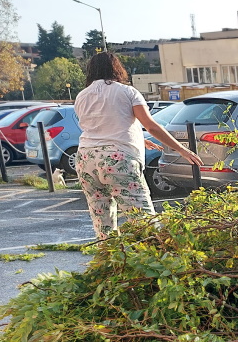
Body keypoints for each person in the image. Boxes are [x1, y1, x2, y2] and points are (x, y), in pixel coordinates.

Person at [74, 52, 203, 239]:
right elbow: (150, 125)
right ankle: (154, 259)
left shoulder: (82, 96)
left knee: (102, 219)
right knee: (143, 219)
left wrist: (138, 139)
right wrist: (181, 149)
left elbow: (99, 127)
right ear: (116, 68)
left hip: (86, 159)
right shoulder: (128, 92)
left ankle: (108, 259)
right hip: (117, 160)